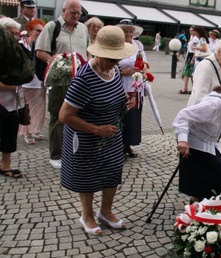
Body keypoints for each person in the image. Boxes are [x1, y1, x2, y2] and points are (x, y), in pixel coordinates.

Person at [58, 25, 136, 236]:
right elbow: (64, 116)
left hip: (111, 134)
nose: (116, 62)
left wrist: (125, 102)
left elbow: (113, 95)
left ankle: (106, 212)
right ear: (98, 53)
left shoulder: (114, 70)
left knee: (112, 171)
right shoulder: (84, 79)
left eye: (118, 58)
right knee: (88, 176)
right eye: (111, 58)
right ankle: (87, 216)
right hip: (87, 136)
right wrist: (96, 129)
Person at [36, 0, 90, 169]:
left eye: (79, 13)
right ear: (64, 11)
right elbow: (40, 51)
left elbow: (87, 51)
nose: (76, 16)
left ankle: (76, 151)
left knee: (79, 116)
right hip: (60, 81)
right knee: (58, 117)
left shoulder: (83, 28)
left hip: (80, 80)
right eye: (73, 12)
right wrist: (54, 60)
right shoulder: (52, 27)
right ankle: (56, 155)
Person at [115, 19, 147, 158]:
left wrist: (144, 68)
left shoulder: (138, 44)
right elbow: (112, 64)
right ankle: (118, 145)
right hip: (121, 85)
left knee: (133, 116)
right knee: (121, 115)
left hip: (136, 86)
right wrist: (125, 71)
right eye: (125, 31)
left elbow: (144, 61)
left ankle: (128, 143)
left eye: (130, 31)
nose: (128, 34)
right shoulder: (117, 45)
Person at [187, 34, 221, 106]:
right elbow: (200, 97)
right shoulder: (205, 66)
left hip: (217, 111)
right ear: (219, 51)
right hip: (202, 112)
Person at [0, 18, 24, 178]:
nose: (15, 36)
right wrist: (12, 86)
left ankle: (5, 165)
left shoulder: (18, 51)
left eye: (17, 33)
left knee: (9, 134)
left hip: (13, 103)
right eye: (11, 33)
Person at [17, 18, 46, 145]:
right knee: (26, 109)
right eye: (37, 31)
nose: (40, 33)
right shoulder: (22, 44)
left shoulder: (43, 46)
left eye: (42, 31)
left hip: (39, 82)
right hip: (26, 82)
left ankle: (36, 129)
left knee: (39, 110)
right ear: (30, 31)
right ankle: (27, 133)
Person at [180, 26, 197, 94]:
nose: (190, 32)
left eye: (192, 30)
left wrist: (193, 59)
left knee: (190, 73)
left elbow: (195, 49)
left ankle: (190, 88)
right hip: (189, 54)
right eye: (190, 30)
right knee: (187, 73)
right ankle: (186, 87)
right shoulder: (191, 37)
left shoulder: (195, 39)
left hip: (192, 55)